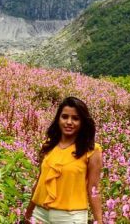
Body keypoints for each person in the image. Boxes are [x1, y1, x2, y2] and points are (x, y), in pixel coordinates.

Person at [23, 96, 103, 224]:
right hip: (40, 214)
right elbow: (39, 183)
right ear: (58, 119)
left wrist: (99, 221)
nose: (69, 122)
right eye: (65, 117)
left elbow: (93, 189)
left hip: (70, 217)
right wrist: (28, 214)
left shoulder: (92, 151)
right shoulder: (48, 146)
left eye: (75, 118)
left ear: (82, 122)